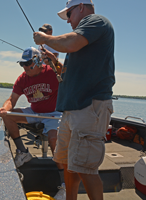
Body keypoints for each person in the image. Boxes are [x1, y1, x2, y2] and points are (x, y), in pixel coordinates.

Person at [33, 0, 115, 200]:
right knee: (69, 164)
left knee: (86, 169)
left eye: (69, 14)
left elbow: (70, 42)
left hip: (89, 107)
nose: (68, 21)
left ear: (80, 7)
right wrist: (55, 62)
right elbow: (70, 73)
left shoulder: (97, 22)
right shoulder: (84, 37)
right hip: (71, 111)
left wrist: (44, 38)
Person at [0, 47, 66, 199]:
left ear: (38, 61)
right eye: (22, 64)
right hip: (34, 112)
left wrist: (55, 60)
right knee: (8, 116)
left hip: (54, 113)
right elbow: (11, 100)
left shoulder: (52, 72)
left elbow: (66, 72)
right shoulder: (22, 78)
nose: (25, 67)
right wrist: (5, 109)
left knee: (54, 139)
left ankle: (65, 185)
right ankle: (23, 152)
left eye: (28, 64)